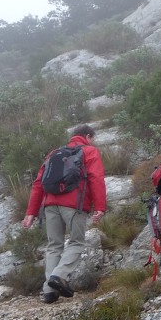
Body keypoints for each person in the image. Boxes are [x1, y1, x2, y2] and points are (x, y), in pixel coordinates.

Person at [23, 123, 106, 303]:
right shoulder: (89, 151)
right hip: (74, 205)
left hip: (50, 204)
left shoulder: (54, 153)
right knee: (76, 242)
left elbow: (38, 183)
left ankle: (49, 292)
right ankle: (59, 276)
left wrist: (31, 212)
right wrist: (100, 207)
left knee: (54, 246)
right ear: (88, 136)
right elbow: (96, 179)